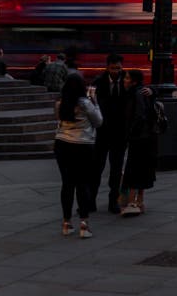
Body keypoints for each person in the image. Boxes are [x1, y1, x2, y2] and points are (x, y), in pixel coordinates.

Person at [53, 72, 102, 239]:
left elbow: (59, 120)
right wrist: (95, 103)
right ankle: (84, 223)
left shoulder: (60, 103)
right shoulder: (86, 103)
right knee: (82, 184)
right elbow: (99, 122)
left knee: (67, 184)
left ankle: (66, 223)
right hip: (83, 145)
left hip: (62, 144)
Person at [91, 53, 129, 214]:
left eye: (118, 68)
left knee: (116, 169)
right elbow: (90, 99)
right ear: (107, 67)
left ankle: (113, 202)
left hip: (120, 133)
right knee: (96, 169)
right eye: (113, 68)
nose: (116, 71)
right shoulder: (98, 82)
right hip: (103, 132)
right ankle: (90, 202)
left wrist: (151, 91)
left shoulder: (127, 79)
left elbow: (141, 87)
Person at [120, 68, 157, 215]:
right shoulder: (143, 91)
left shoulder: (136, 94)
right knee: (142, 169)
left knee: (133, 169)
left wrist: (130, 132)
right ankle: (140, 201)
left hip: (139, 137)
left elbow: (139, 116)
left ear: (133, 81)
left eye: (127, 78)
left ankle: (131, 202)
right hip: (147, 136)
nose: (124, 80)